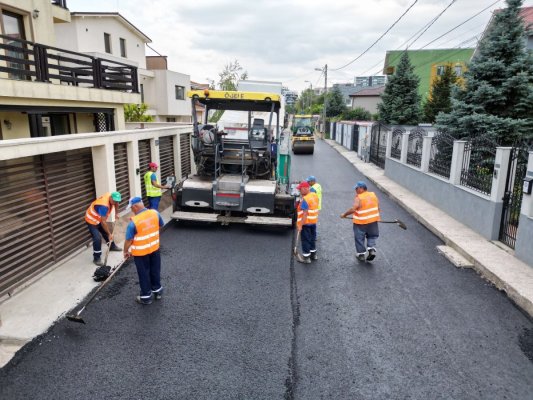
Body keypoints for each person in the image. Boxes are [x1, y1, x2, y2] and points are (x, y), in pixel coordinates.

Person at [123, 197, 165, 305]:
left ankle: (146, 297)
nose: (132, 210)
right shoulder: (155, 213)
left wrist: (125, 251)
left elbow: (128, 240)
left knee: (144, 273)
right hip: (154, 248)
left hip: (141, 254)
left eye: (131, 208)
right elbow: (161, 225)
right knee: (155, 270)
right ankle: (157, 291)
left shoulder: (134, 223)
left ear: (135, 206)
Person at [340, 181, 380, 262]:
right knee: (372, 236)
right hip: (373, 221)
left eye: (357, 188)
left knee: (359, 238)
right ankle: (371, 249)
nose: (355, 190)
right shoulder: (373, 195)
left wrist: (345, 214)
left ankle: (361, 255)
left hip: (361, 222)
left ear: (362, 188)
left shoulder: (359, 197)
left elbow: (353, 209)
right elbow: (378, 207)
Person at [85, 191, 122, 266]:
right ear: (111, 197)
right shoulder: (103, 206)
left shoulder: (112, 198)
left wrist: (116, 213)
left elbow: (117, 204)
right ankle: (96, 258)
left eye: (117, 201)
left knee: (105, 232)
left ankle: (112, 246)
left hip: (99, 219)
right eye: (114, 200)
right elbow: (103, 222)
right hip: (91, 220)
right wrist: (109, 234)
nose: (115, 202)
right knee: (97, 238)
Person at [295, 181, 320, 264]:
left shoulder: (305, 199)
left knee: (305, 240)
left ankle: (306, 258)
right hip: (313, 222)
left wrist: (300, 225)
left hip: (305, 223)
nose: (299, 191)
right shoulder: (314, 196)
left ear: (305, 188)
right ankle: (313, 255)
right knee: (312, 239)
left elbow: (305, 214)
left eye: (300, 189)